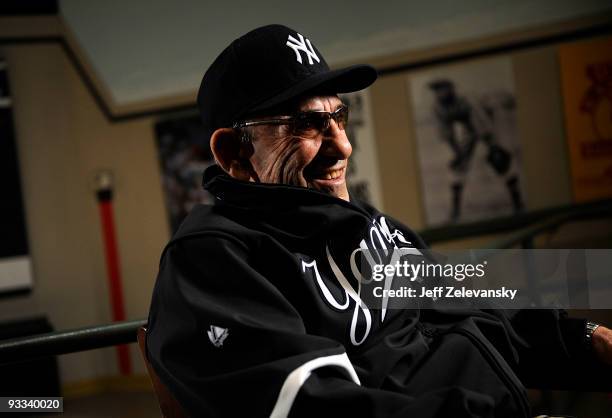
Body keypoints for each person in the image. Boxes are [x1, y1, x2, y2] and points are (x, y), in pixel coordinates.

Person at [146, 24, 612, 418]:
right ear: (234, 153)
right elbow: (315, 407)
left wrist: (584, 340)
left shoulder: (368, 225)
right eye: (305, 125)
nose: (343, 146)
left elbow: (467, 300)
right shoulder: (215, 259)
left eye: (339, 117)